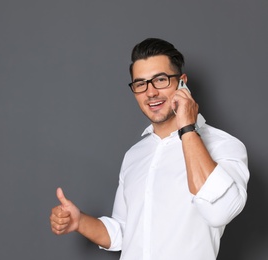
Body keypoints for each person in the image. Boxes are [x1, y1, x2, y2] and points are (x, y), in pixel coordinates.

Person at [49, 38, 249, 260]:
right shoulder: (135, 155)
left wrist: (187, 128)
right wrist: (80, 222)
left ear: (182, 82)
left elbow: (219, 212)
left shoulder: (224, 146)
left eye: (160, 80)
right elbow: (126, 231)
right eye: (140, 83)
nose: (150, 92)